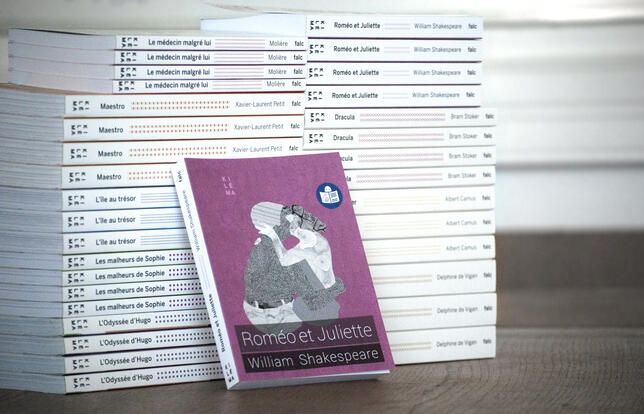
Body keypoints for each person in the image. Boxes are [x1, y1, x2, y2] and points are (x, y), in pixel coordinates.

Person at [259, 205, 345, 323]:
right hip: (321, 290)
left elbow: (287, 259)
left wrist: (274, 235)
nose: (293, 229)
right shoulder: (308, 244)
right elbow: (285, 259)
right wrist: (274, 235)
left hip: (322, 289)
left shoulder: (315, 244)